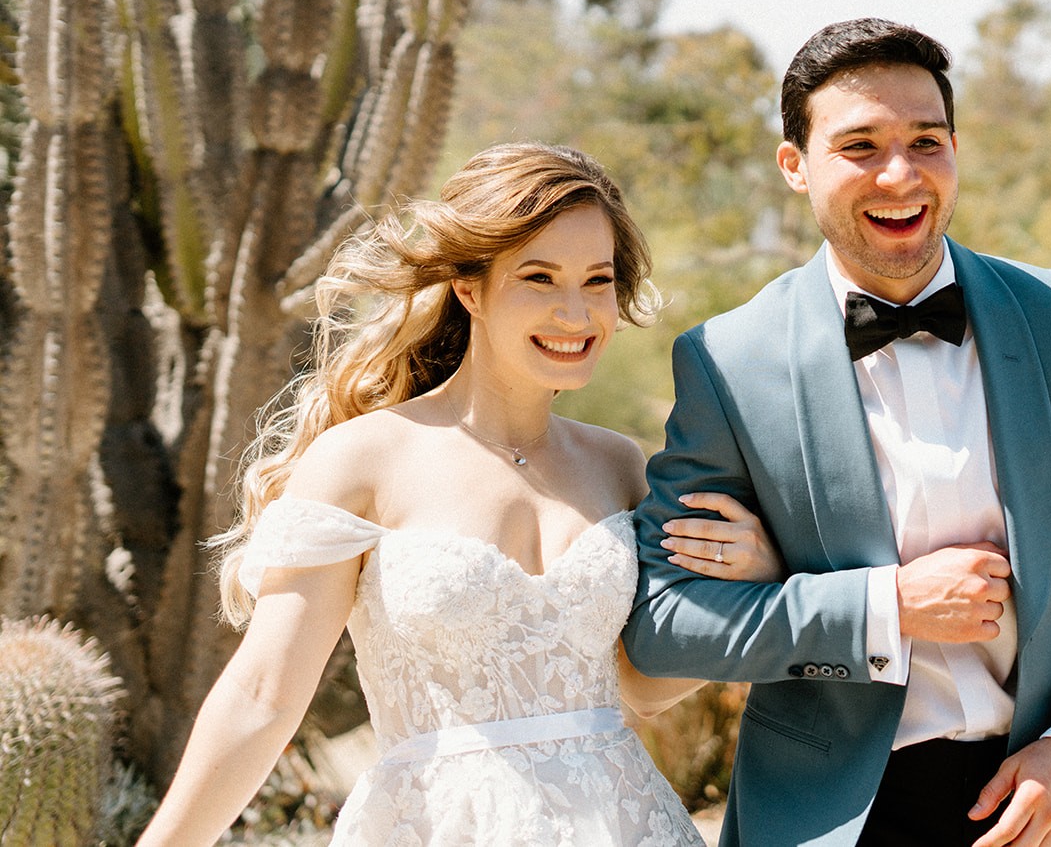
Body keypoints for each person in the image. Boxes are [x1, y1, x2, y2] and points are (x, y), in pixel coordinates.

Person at [624, 18, 1051, 847]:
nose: (900, 174)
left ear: (956, 150)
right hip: (829, 819)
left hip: (1049, 808)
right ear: (795, 166)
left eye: (926, 141)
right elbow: (665, 621)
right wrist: (883, 605)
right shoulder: (728, 361)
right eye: (859, 145)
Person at [138, 143, 779, 847]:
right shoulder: (365, 459)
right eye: (540, 277)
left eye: (597, 281)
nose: (577, 312)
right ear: (469, 288)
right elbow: (264, 693)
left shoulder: (618, 462)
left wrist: (752, 587)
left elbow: (639, 686)